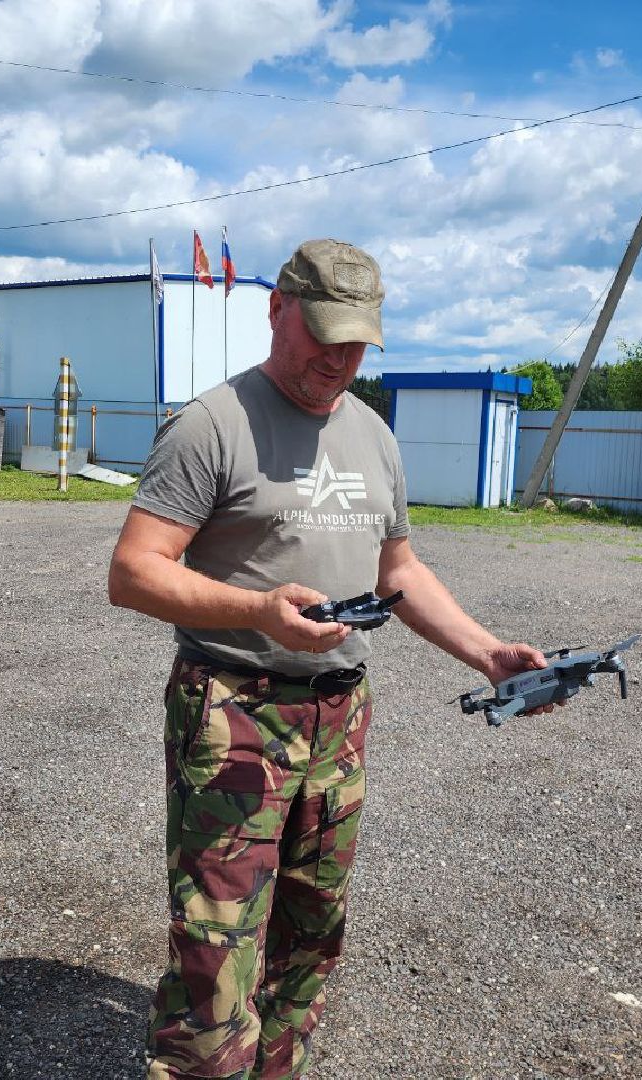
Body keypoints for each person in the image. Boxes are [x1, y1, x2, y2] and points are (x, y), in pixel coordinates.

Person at [108, 239, 550, 1080]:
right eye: (324, 337)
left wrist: (489, 654)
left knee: (313, 930)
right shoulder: (212, 425)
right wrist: (258, 611)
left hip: (338, 712)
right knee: (217, 943)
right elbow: (133, 572)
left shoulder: (374, 436)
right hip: (234, 709)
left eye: (357, 343)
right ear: (278, 310)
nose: (338, 360)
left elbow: (400, 574)